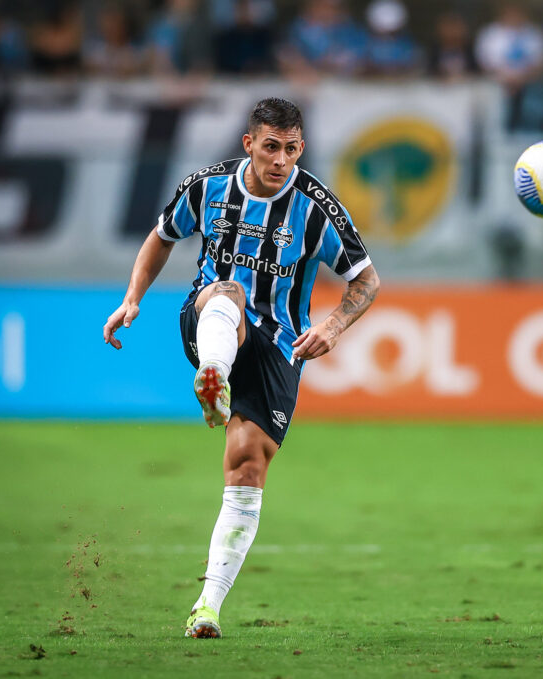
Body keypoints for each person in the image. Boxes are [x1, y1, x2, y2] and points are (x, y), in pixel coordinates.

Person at [103, 98, 380, 639]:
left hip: (280, 345)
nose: (281, 160)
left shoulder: (316, 207)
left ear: (301, 148)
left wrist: (332, 326)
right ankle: (213, 376)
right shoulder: (207, 187)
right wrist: (132, 298)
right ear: (249, 143)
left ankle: (207, 607)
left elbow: (366, 280)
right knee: (227, 291)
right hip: (211, 319)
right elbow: (162, 235)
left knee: (248, 467)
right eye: (271, 147)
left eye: (292, 149)